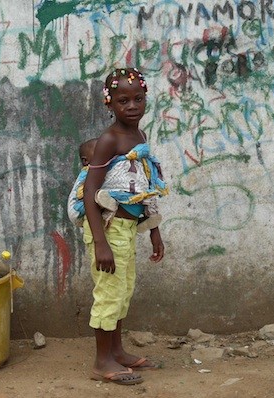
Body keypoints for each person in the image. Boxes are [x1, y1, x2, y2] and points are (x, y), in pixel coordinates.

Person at [82, 67, 167, 385]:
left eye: (138, 99)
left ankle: (116, 351)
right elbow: (91, 191)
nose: (132, 106)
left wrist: (154, 229)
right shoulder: (109, 139)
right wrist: (101, 242)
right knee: (109, 293)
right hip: (108, 227)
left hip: (127, 229)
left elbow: (143, 184)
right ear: (109, 103)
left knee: (123, 290)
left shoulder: (139, 137)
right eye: (123, 100)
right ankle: (101, 361)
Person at [67, 138, 165, 232]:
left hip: (124, 223)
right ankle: (106, 206)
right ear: (85, 161)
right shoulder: (88, 171)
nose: (106, 154)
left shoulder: (108, 167)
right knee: (98, 197)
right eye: (99, 151)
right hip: (77, 210)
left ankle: (140, 222)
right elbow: (84, 192)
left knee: (106, 196)